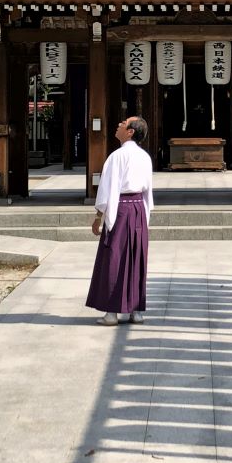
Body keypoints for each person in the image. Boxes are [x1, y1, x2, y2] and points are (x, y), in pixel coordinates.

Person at [86, 116, 154, 326]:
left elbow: (107, 189)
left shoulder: (117, 156)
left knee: (114, 257)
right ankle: (135, 311)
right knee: (136, 258)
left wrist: (99, 216)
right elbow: (148, 190)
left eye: (123, 123)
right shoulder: (144, 157)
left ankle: (112, 313)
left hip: (121, 208)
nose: (118, 124)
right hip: (138, 209)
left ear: (131, 131)